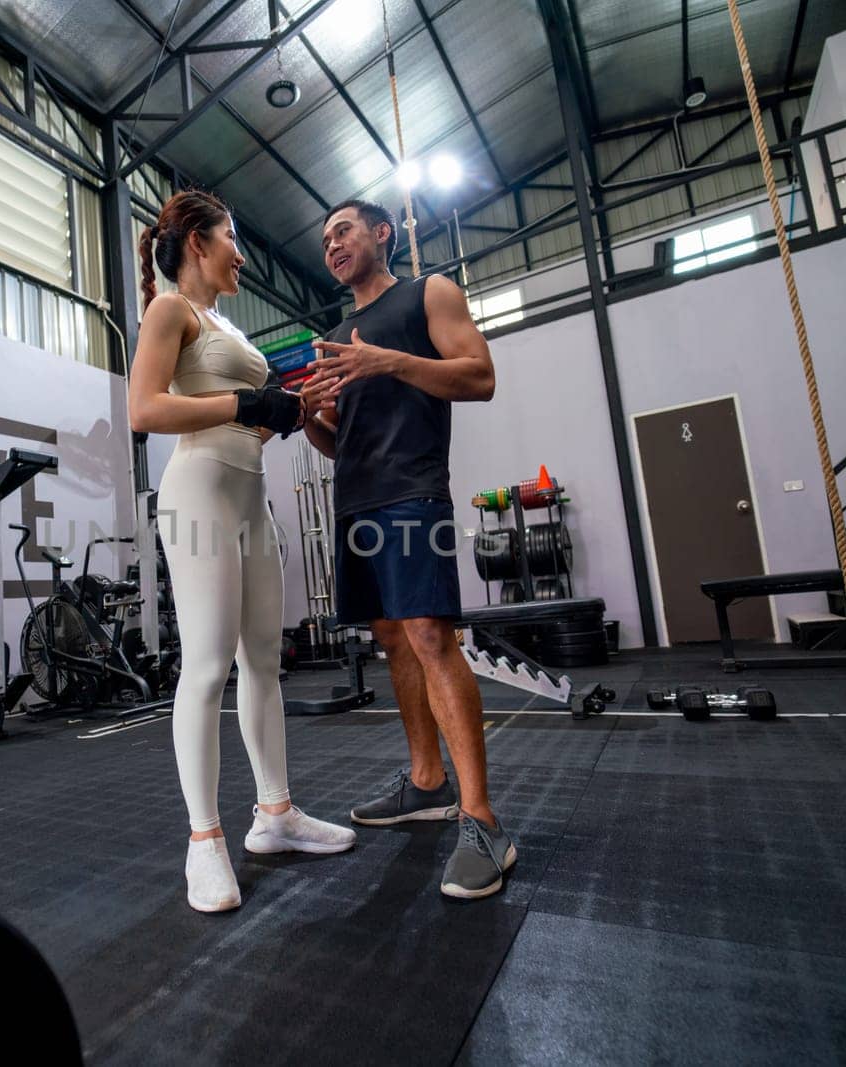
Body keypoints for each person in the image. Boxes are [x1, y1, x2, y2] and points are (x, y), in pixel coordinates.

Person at [128, 190, 356, 914]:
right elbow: (144, 409)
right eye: (232, 238)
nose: (242, 254)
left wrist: (284, 412)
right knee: (204, 667)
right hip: (197, 495)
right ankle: (204, 841)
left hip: (250, 496)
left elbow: (244, 419)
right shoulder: (173, 311)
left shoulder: (226, 324)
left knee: (264, 659)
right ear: (198, 241)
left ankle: (275, 814)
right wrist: (243, 405)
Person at [299, 199, 512, 900]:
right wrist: (313, 425)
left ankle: (482, 821)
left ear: (381, 234)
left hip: (414, 490)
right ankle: (426, 780)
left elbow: (478, 376)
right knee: (391, 638)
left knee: (428, 634)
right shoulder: (335, 335)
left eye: (344, 230)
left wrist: (387, 360)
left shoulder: (430, 293)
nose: (332, 244)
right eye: (325, 238)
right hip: (356, 499)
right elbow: (341, 438)